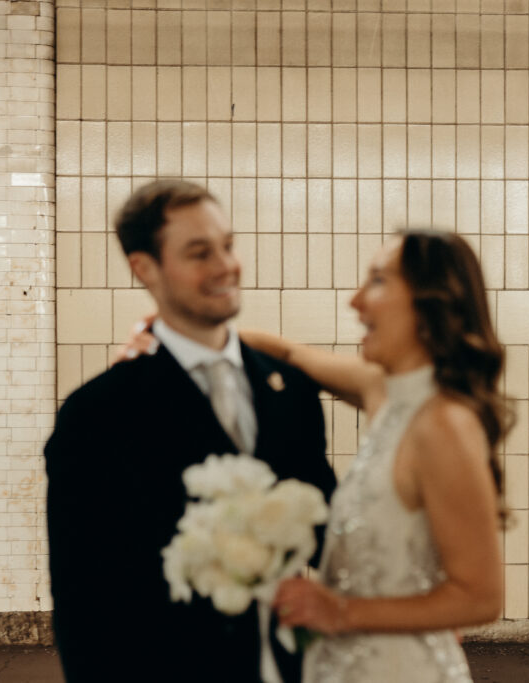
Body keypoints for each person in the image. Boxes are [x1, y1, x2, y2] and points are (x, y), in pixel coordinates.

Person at [44, 180, 338, 683]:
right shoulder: (95, 416)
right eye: (200, 252)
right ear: (145, 268)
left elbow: (326, 524)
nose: (225, 265)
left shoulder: (290, 390)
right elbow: (81, 603)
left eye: (227, 244)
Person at [248, 230, 510, 682]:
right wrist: (163, 334)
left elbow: (481, 597)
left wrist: (340, 611)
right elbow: (286, 351)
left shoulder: (444, 425)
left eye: (377, 281)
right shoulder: (384, 392)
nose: (355, 301)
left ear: (431, 305)